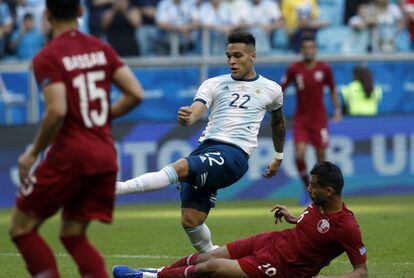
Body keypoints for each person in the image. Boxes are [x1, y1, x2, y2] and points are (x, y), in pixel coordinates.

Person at [116, 32, 286, 253]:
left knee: (180, 167)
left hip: (234, 155)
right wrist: (189, 116)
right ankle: (215, 260)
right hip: (206, 148)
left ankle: (115, 189)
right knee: (191, 220)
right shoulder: (214, 83)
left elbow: (278, 122)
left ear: (252, 56)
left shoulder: (271, 89)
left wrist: (279, 156)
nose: (232, 61)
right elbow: (197, 109)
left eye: (238, 56)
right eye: (228, 56)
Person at [9, 0, 144, 277]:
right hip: (105, 155)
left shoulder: (48, 56)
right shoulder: (101, 48)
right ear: (81, 12)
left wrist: (33, 152)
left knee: (21, 228)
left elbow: (57, 110)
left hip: (70, 155)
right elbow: (135, 93)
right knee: (72, 235)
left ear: (47, 15)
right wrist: (100, 117)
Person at [113, 161, 368, 278]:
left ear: (330, 191)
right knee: (206, 257)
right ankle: (154, 272)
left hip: (283, 269)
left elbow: (361, 272)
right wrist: (293, 218)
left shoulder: (346, 227)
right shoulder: (318, 204)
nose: (309, 190)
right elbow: (311, 225)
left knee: (211, 269)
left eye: (313, 187)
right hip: (269, 242)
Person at [281, 37, 342, 205]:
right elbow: (281, 90)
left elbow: (333, 90)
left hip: (319, 120)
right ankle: (307, 188)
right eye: (305, 48)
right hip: (301, 119)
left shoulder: (324, 68)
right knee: (299, 155)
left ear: (315, 50)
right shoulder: (294, 69)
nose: (308, 51)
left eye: (311, 47)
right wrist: (276, 110)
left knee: (321, 159)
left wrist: (337, 109)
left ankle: (322, 194)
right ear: (301, 51)